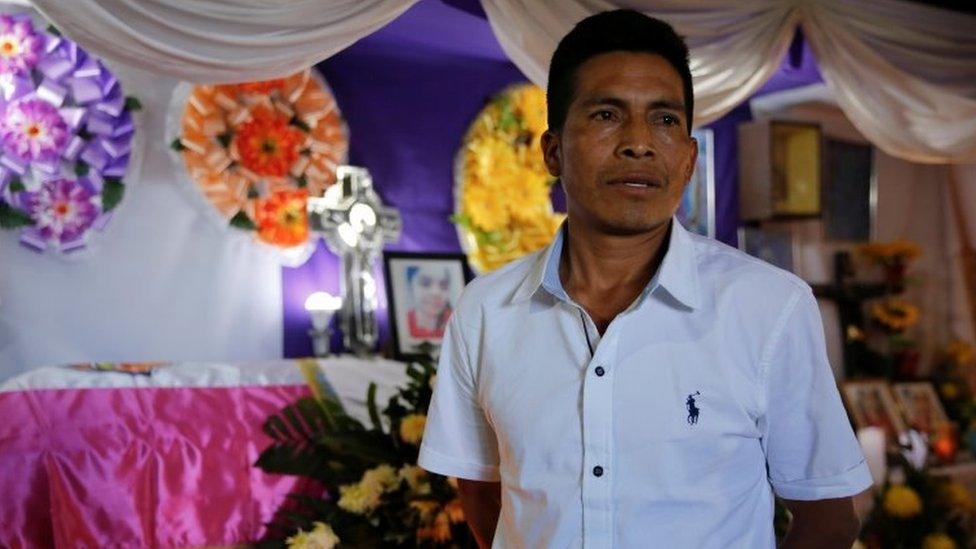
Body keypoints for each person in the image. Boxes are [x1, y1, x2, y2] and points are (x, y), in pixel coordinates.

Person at [419, 10, 871, 548]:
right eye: (607, 114)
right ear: (553, 151)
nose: (640, 143)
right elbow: (482, 492)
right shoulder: (485, 312)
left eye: (664, 120)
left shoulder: (768, 307)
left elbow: (828, 520)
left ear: (688, 159)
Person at [405, 264, 454, 340]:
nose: (436, 292)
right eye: (425, 283)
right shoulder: (403, 323)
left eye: (443, 285)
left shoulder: (456, 323)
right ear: (410, 287)